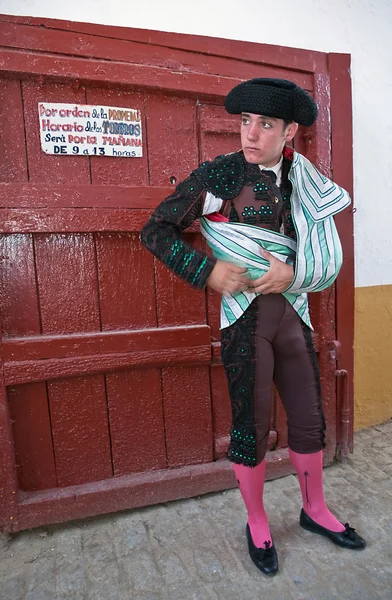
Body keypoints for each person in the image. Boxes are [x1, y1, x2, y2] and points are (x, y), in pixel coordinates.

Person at [140, 78, 366, 575]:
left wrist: (295, 273)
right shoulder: (219, 176)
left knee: (309, 418)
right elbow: (155, 230)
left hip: (293, 315)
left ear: (288, 132)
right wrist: (208, 270)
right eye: (245, 121)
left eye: (265, 124)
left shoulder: (304, 178)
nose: (251, 134)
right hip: (245, 322)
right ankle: (258, 521)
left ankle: (314, 510)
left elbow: (319, 254)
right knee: (252, 424)